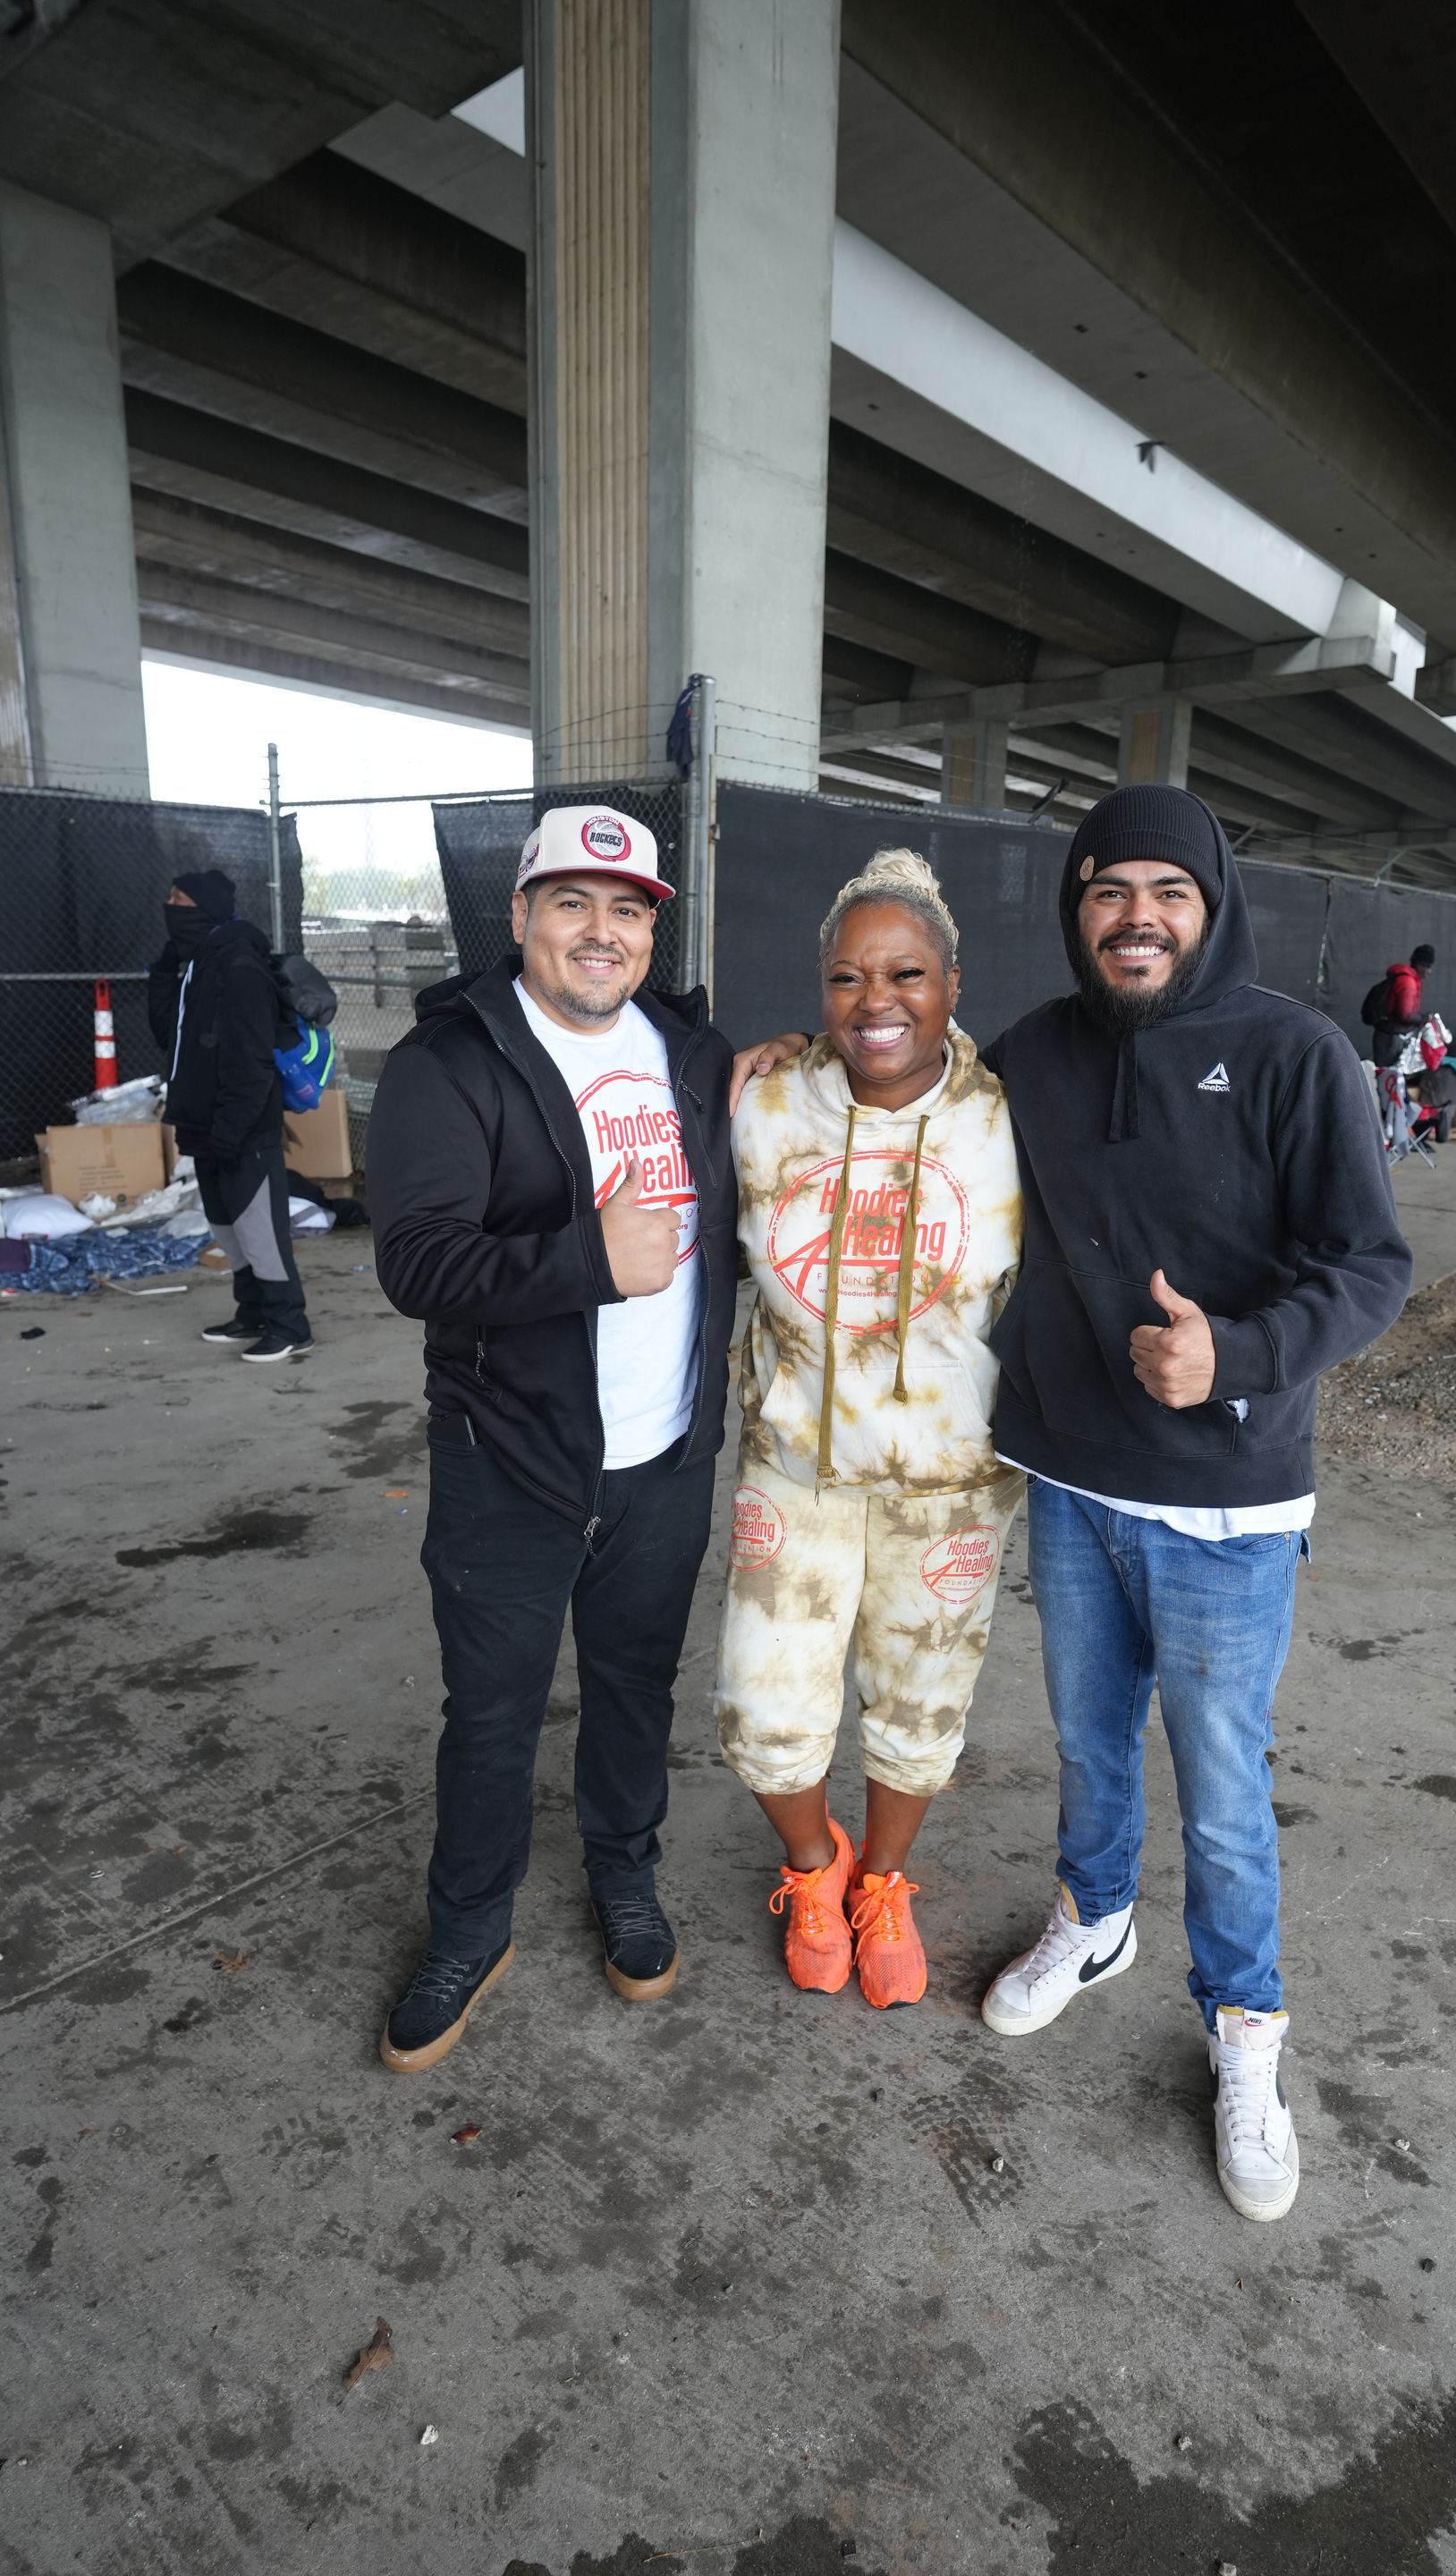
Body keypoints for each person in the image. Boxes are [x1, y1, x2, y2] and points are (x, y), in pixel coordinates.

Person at [977, 785, 1412, 2222]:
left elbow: (1370, 1265)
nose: (1137, 916)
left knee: (1223, 1794)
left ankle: (1245, 2031)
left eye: (1167, 889)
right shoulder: (1033, 1056)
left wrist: (1237, 1351)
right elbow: (906, 1109)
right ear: (1076, 908)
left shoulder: (1294, 1054)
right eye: (1108, 890)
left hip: (1225, 1499)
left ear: (1211, 902)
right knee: (1091, 1743)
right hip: (1071, 1479)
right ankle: (1092, 1924)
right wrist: (781, 1072)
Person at [365, 806, 799, 2072]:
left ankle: (624, 1873)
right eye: (571, 903)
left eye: (627, 910)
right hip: (512, 1458)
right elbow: (418, 1261)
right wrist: (589, 1262)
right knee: (491, 1712)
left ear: (651, 930)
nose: (599, 932)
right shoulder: (449, 1063)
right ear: (521, 917)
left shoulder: (687, 1051)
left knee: (631, 1687)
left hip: (665, 1454)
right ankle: (469, 1926)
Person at [715, 852, 1023, 2008]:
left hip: (955, 1474)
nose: (876, 1002)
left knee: (921, 1705)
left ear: (952, 981)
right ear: (820, 987)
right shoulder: (762, 1103)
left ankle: (882, 1881)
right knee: (762, 1706)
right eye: (848, 978)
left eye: (906, 974)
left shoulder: (1008, 1117)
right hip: (794, 1467)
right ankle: (813, 1863)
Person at [147, 867, 312, 1362]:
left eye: (181, 899)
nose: (171, 907)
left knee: (259, 1226)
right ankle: (252, 1312)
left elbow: (252, 1059)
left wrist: (232, 1127)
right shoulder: (200, 962)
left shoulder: (239, 965)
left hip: (241, 1125)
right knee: (227, 1225)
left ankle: (289, 1324)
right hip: (205, 1121)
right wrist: (164, 967)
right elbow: (167, 1036)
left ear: (205, 909)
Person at [1364, 943, 1435, 1163]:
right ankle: (1390, 1138)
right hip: (1392, 1040)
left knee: (1391, 1087)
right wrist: (1423, 1018)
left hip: (1389, 1038)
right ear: (1422, 965)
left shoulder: (1403, 978)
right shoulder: (1407, 981)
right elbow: (1405, 1014)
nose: (1430, 972)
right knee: (1391, 1088)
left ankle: (1394, 1135)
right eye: (1429, 967)